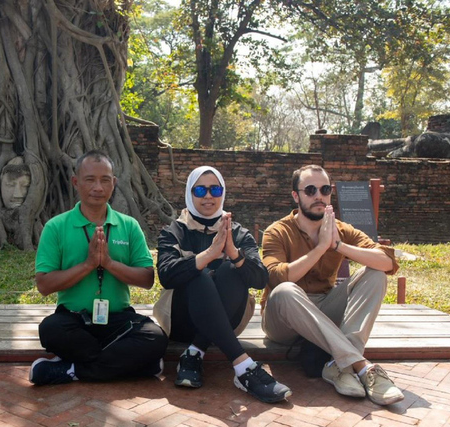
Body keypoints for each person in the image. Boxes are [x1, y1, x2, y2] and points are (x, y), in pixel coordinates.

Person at [261, 164, 403, 406]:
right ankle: (359, 364)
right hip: (283, 318)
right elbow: (277, 278)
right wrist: (320, 248)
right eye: (310, 190)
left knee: (376, 274)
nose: (319, 196)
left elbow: (387, 261)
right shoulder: (277, 232)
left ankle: (340, 367)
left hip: (324, 307)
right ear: (296, 195)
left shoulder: (340, 230)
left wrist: (338, 246)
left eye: (325, 189)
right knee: (286, 290)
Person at [30, 150, 168, 385]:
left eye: (105, 180)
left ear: (114, 183)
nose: (98, 187)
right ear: (76, 182)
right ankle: (137, 365)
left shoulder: (129, 225)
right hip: (74, 321)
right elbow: (44, 285)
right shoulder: (56, 227)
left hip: (118, 320)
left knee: (155, 337)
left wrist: (109, 264)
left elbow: (147, 279)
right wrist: (88, 265)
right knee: (50, 329)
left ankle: (72, 370)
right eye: (90, 179)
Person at [156, 166, 291, 403]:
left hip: (228, 321)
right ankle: (244, 368)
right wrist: (207, 255)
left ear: (222, 193)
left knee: (232, 269)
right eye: (200, 190)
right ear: (190, 193)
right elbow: (166, 275)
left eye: (215, 189)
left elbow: (260, 279)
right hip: (181, 321)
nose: (208, 196)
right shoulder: (174, 231)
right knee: (197, 274)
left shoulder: (238, 233)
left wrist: (233, 253)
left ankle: (194, 352)